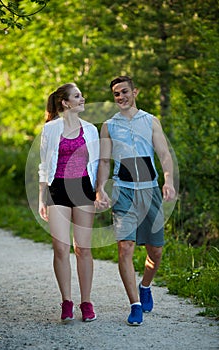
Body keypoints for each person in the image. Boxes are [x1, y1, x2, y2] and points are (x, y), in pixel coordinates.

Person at [95, 76, 175, 326]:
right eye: (116, 94)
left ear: (135, 92)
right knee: (125, 247)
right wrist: (100, 189)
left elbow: (163, 154)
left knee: (156, 251)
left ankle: (145, 286)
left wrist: (169, 181)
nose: (121, 97)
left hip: (149, 190)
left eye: (125, 92)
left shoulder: (150, 121)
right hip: (124, 192)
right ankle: (135, 305)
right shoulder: (109, 125)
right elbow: (105, 161)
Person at [38, 83, 99, 322]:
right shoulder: (51, 129)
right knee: (61, 248)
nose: (83, 99)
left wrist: (98, 191)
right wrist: (42, 197)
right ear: (65, 103)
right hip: (58, 189)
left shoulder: (91, 130)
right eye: (77, 96)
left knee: (83, 249)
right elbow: (44, 165)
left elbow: (98, 163)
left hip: (82, 188)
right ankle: (66, 301)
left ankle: (86, 302)